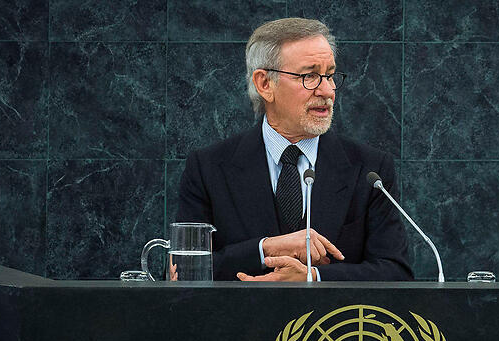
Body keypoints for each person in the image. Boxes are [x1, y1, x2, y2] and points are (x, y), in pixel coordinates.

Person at [176, 18, 413, 281]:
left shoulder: (371, 170)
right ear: (265, 84)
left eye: (330, 75)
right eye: (309, 76)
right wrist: (265, 248)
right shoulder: (208, 168)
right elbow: (184, 272)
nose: (327, 90)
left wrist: (314, 277)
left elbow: (396, 273)